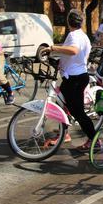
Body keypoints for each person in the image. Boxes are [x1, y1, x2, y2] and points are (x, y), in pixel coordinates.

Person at [42, 9, 95, 150]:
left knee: (78, 113)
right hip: (76, 76)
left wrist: (53, 48)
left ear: (68, 22)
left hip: (75, 79)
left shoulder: (73, 35)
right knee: (63, 104)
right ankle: (64, 133)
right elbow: (79, 56)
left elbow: (74, 50)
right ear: (81, 22)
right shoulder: (84, 36)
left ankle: (94, 140)